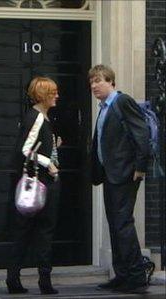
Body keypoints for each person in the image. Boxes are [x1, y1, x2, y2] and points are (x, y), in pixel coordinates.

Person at [89, 64, 150, 293]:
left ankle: (136, 276)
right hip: (110, 174)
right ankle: (122, 274)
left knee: (123, 224)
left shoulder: (122, 102)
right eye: (92, 82)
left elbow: (141, 133)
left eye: (99, 81)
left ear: (111, 82)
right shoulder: (103, 107)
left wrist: (140, 167)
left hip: (125, 173)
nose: (94, 86)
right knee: (115, 225)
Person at [6, 77, 61, 295]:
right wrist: (50, 165)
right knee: (43, 231)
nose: (57, 96)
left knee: (25, 231)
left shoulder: (41, 118)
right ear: (42, 95)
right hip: (41, 183)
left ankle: (15, 278)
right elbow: (25, 150)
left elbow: (36, 145)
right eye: (53, 92)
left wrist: (53, 144)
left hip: (39, 181)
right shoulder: (37, 118)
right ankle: (43, 282)